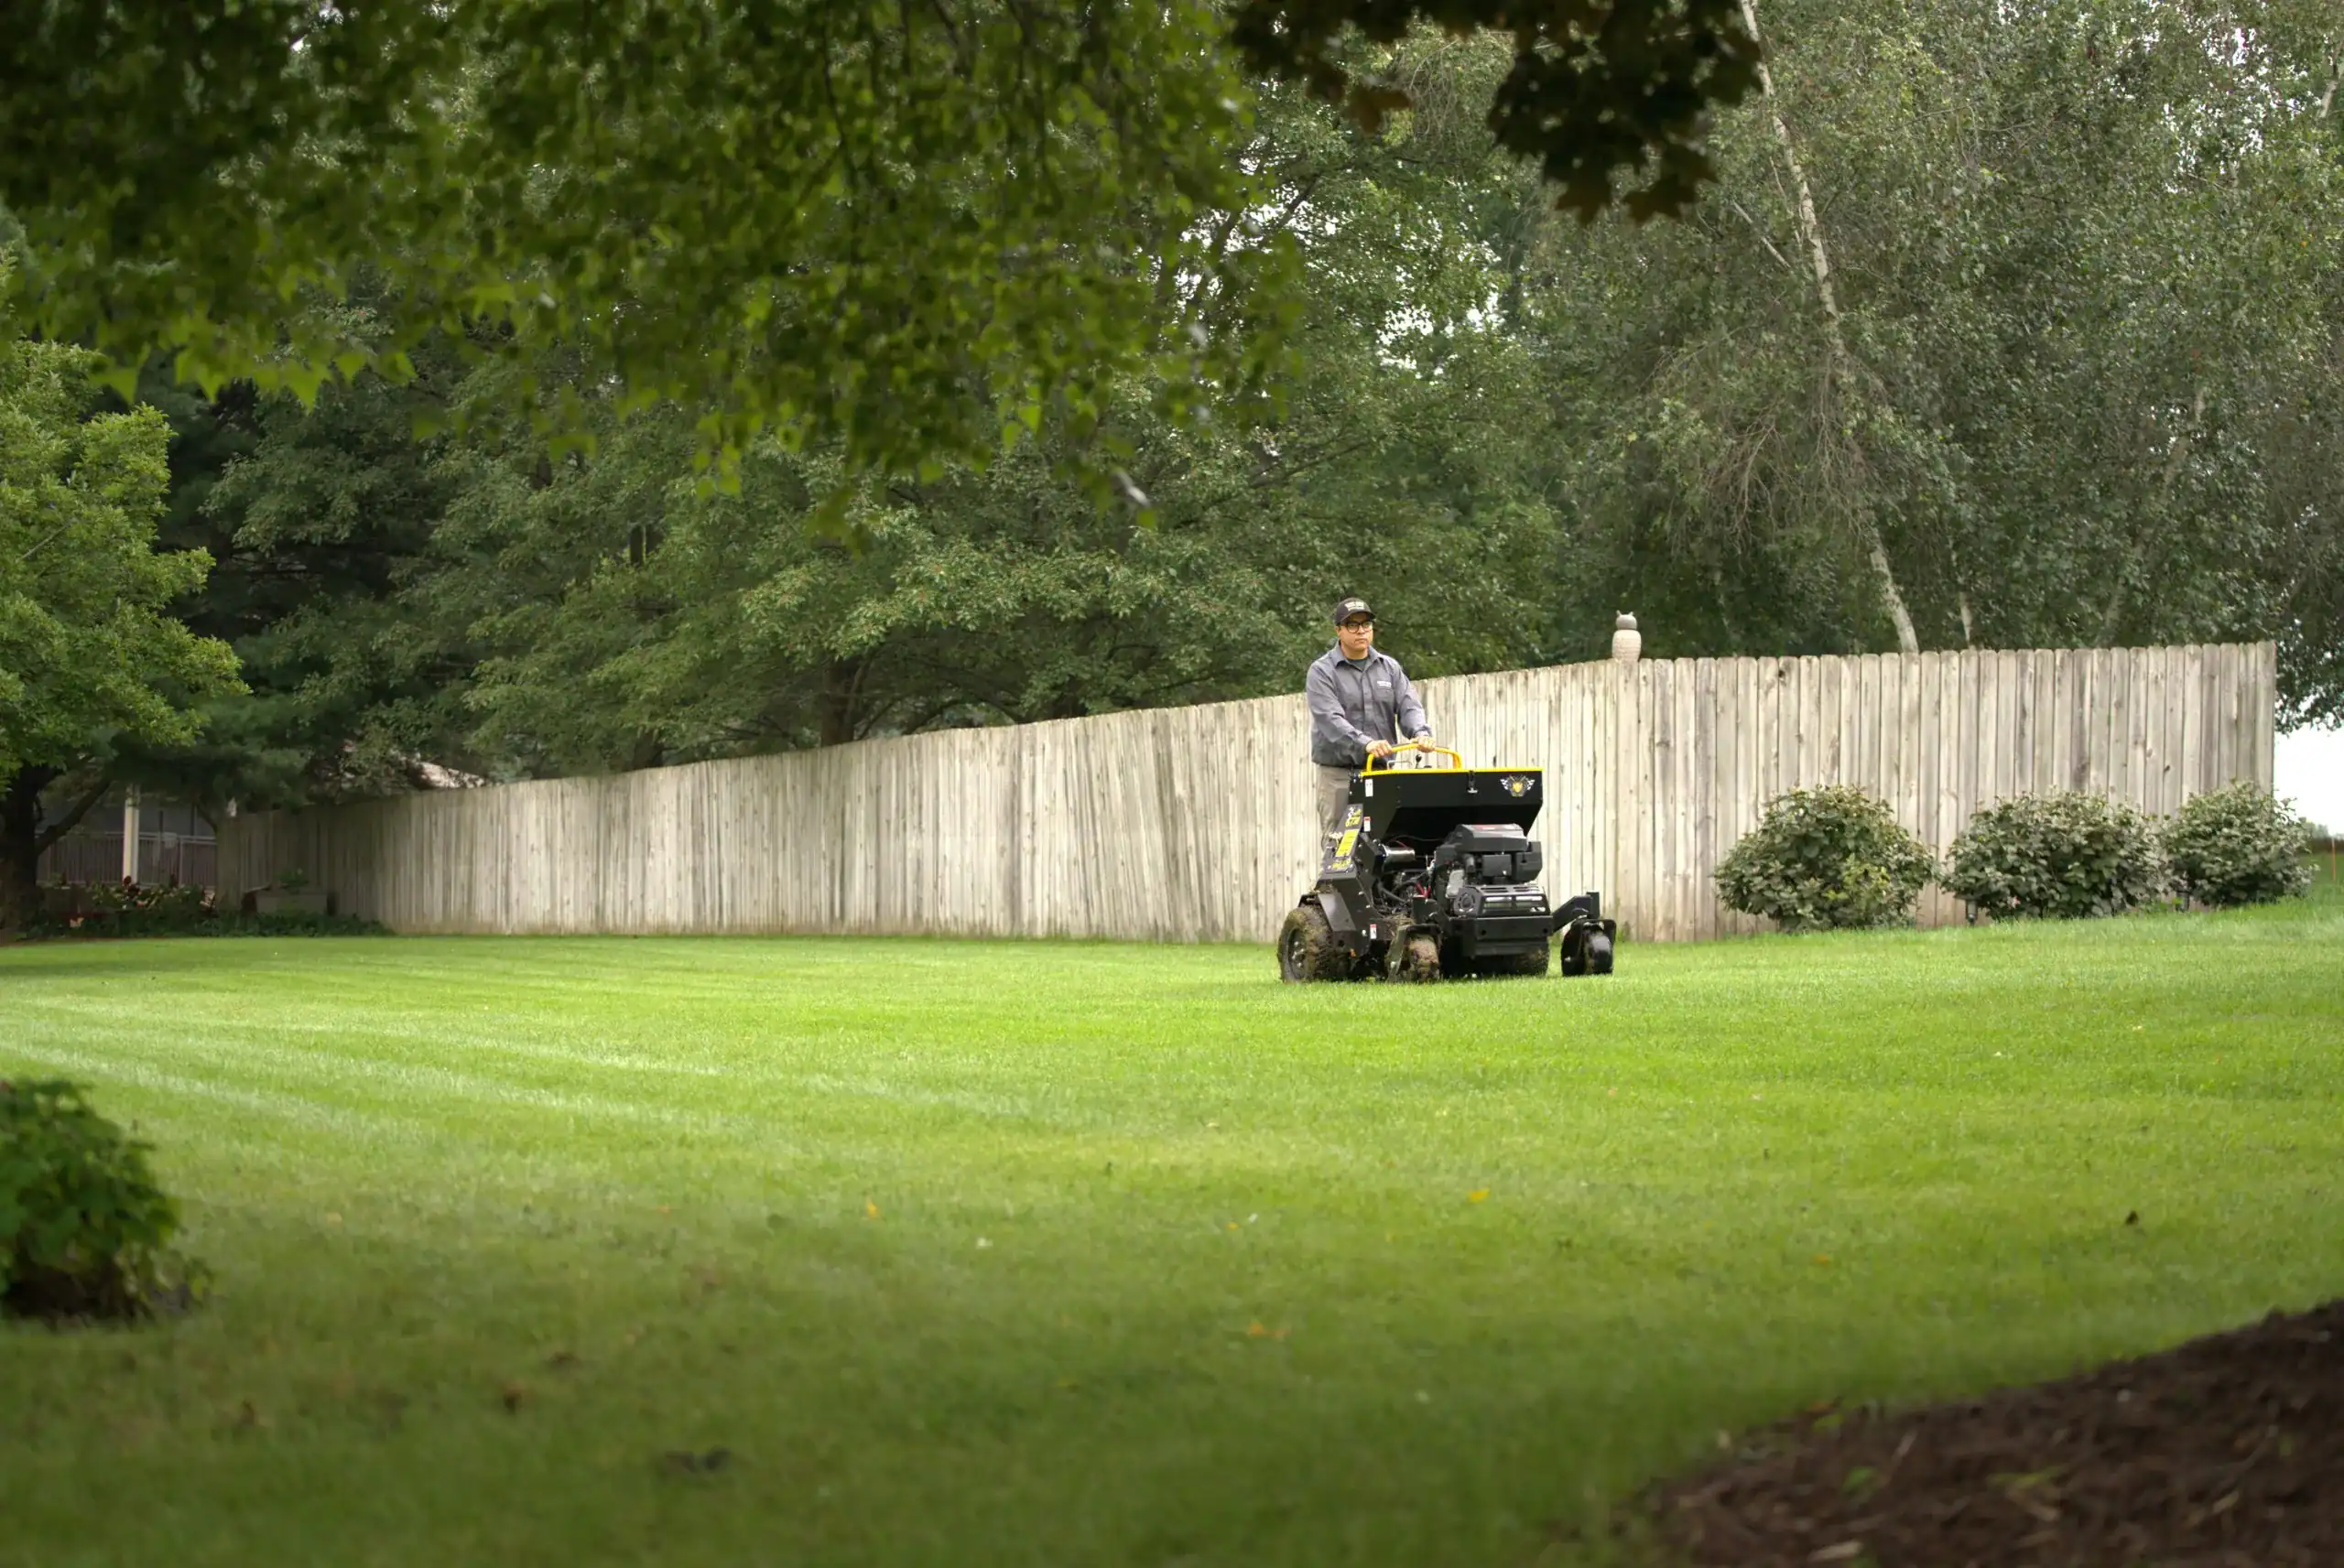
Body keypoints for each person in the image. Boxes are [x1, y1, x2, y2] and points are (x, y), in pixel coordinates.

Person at [1307, 596, 1434, 839]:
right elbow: (1330, 720)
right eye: (1352, 625)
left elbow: (1409, 705)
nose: (1361, 631)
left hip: (1382, 775)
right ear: (1338, 630)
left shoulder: (1389, 668)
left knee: (1391, 843)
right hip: (1340, 777)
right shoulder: (1322, 672)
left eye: (1366, 624)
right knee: (1340, 848)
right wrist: (1366, 743)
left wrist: (1420, 733)